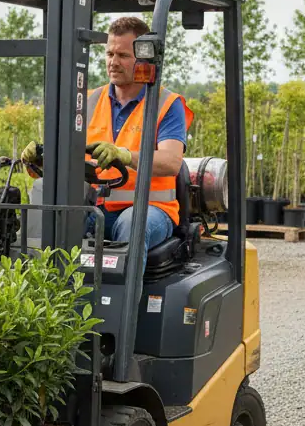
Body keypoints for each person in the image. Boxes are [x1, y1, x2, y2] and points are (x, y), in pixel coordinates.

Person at [22, 16, 194, 250]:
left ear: (143, 58)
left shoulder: (165, 103)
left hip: (149, 208)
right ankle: (42, 283)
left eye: (123, 56)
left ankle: (124, 288)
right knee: (46, 215)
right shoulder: (87, 101)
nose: (113, 62)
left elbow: (171, 162)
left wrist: (125, 156)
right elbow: (67, 156)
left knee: (132, 226)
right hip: (92, 206)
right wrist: (39, 160)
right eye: (110, 54)